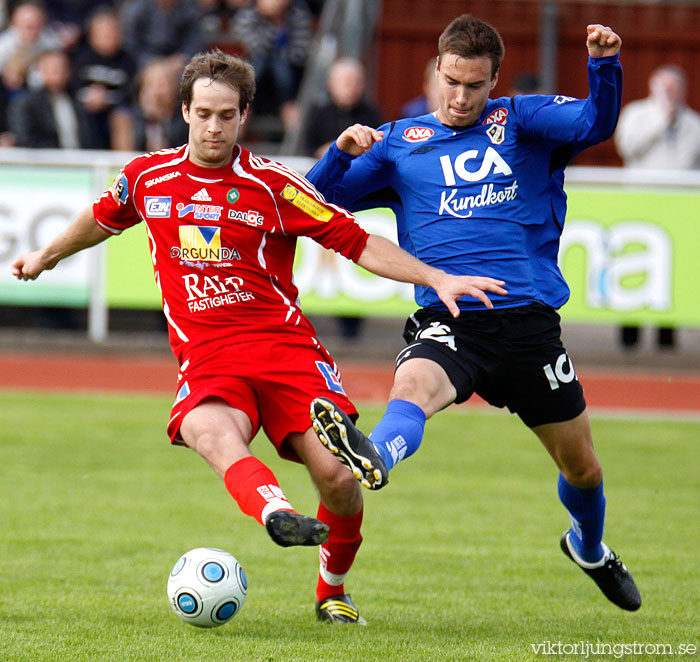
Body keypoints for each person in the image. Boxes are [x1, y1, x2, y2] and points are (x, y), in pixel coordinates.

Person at [10, 48, 505, 625]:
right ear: (186, 112)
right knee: (206, 430)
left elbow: (359, 241)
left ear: (244, 115)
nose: (213, 127)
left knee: (339, 479)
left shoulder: (273, 186)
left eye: (226, 115)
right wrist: (45, 256)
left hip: (285, 352)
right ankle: (275, 512)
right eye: (203, 114)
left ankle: (332, 589)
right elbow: (101, 217)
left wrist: (434, 275)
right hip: (208, 354)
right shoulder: (147, 177)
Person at [306, 15, 642, 612]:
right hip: (451, 316)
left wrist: (604, 64)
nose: (459, 97)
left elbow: (597, 121)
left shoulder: (523, 120)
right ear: (437, 69)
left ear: (494, 81)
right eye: (451, 81)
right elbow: (315, 201)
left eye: (474, 85)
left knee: (582, 467)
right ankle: (375, 454)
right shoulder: (399, 142)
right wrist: (339, 153)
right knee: (412, 384)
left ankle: (588, 547)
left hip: (528, 325)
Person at [614, 64, 700, 351]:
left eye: (677, 88)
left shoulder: (692, 123)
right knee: (633, 267)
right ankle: (629, 338)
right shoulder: (637, 114)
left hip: (677, 208)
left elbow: (691, 163)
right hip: (639, 204)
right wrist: (661, 121)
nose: (672, 93)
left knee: (669, 271)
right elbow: (628, 147)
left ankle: (666, 340)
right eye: (667, 87)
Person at [71, 6, 136, 151]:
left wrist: (105, 98)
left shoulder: (128, 61)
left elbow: (130, 93)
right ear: (92, 35)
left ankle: (124, 167)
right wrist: (89, 97)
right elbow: (73, 88)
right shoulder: (81, 59)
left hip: (116, 111)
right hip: (86, 110)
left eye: (112, 32)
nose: (109, 37)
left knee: (122, 116)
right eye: (103, 34)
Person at [8, 48, 95, 148]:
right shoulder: (26, 102)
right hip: (43, 160)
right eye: (53, 68)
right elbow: (24, 138)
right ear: (40, 70)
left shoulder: (78, 100)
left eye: (63, 67)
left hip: (80, 159)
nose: (59, 71)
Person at [304, 57, 382, 160]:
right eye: (347, 83)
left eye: (357, 82)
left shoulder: (371, 113)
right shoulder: (319, 113)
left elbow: (380, 146)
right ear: (332, 84)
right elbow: (305, 148)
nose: (352, 88)